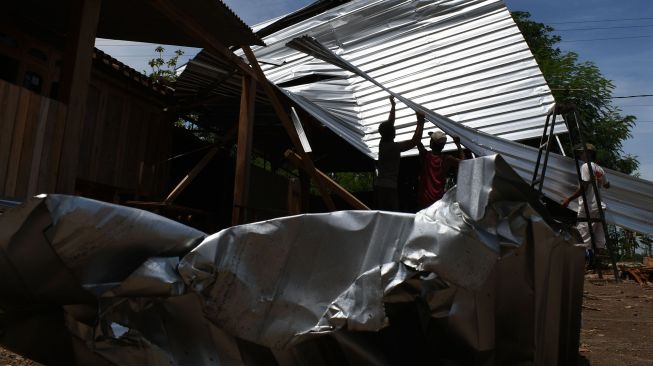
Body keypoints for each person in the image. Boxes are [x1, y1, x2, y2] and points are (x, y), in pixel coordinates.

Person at [375, 96, 425, 210]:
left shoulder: (382, 143)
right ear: (392, 133)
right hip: (389, 187)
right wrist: (420, 122)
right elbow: (414, 141)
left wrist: (393, 106)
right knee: (392, 212)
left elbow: (390, 123)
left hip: (380, 185)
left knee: (382, 212)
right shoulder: (394, 147)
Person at [561, 143, 610, 253]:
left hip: (589, 206)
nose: (580, 155)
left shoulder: (585, 166)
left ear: (589, 153)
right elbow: (607, 185)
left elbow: (584, 187)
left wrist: (568, 199)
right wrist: (598, 179)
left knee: (582, 236)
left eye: (582, 152)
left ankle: (583, 264)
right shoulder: (599, 169)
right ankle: (598, 264)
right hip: (599, 207)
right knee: (599, 239)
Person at [416, 129, 465, 209]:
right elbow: (464, 163)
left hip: (424, 201)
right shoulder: (447, 159)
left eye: (431, 140)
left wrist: (420, 121)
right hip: (438, 202)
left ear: (432, 143)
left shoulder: (425, 155)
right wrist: (458, 144)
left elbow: (417, 140)